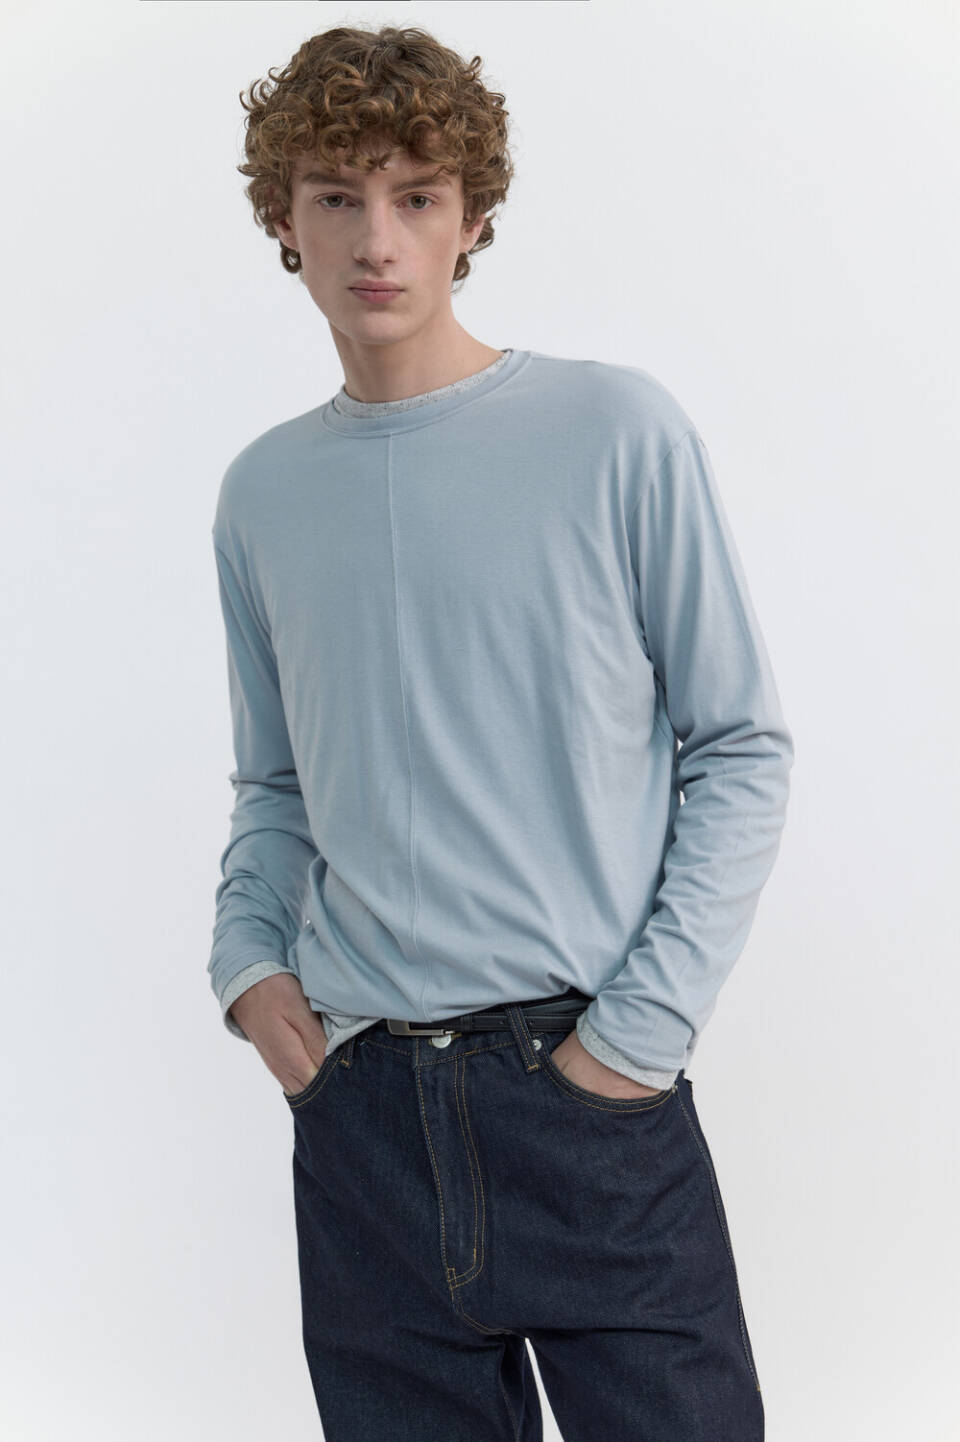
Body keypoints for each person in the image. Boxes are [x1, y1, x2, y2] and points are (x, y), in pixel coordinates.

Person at [207, 22, 793, 1442]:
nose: (377, 240)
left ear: (472, 217)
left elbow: (738, 745)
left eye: (416, 196)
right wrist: (247, 964)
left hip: (586, 1095)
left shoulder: (614, 432)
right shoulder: (263, 493)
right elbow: (277, 779)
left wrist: (636, 1040)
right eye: (337, 196)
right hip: (365, 1117)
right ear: (283, 219)